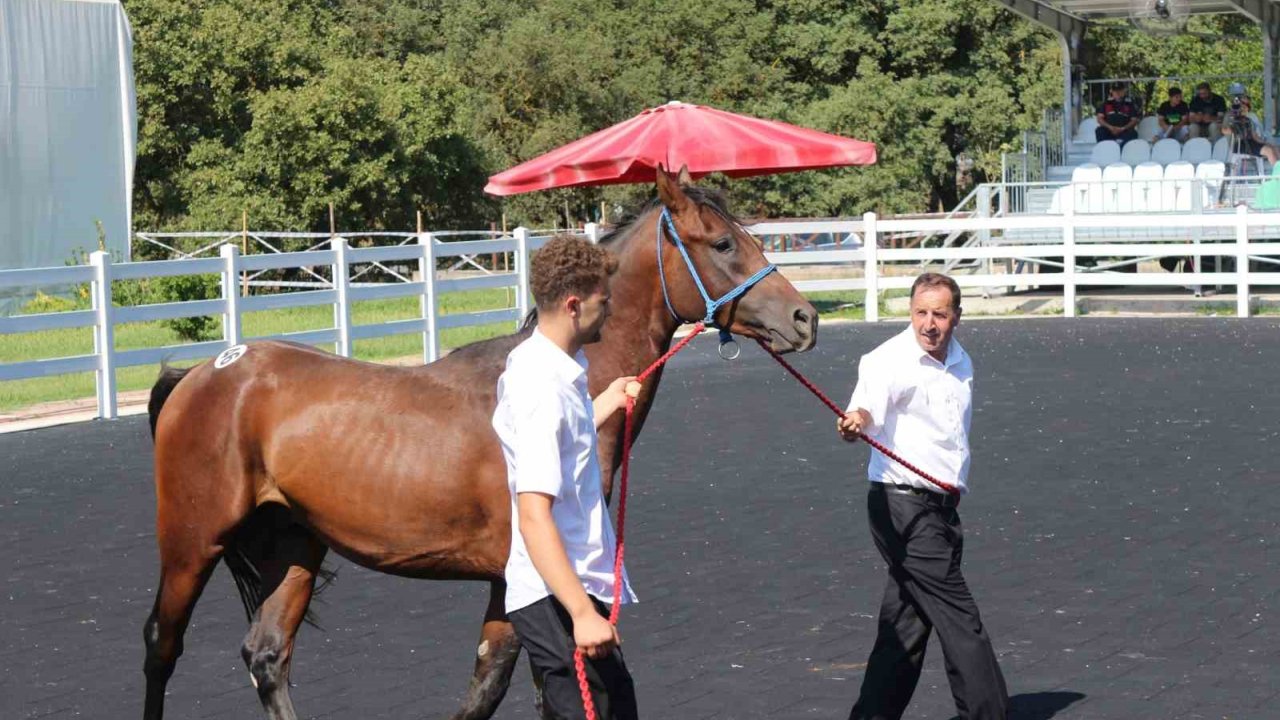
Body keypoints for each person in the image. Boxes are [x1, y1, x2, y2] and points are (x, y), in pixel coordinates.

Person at [838, 273, 1009, 720]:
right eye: (920, 313)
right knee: (959, 619)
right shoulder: (887, 360)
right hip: (903, 509)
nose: (928, 324)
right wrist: (856, 419)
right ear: (910, 311)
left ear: (957, 316)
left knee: (907, 625)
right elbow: (867, 408)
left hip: (942, 508)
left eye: (939, 314)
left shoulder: (961, 360)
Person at [493, 234, 640, 720]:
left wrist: (606, 402)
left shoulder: (557, 368)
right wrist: (580, 613)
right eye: (604, 300)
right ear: (575, 305)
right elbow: (534, 516)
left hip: (569, 584)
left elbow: (563, 439)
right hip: (556, 592)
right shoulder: (542, 388)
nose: (611, 309)